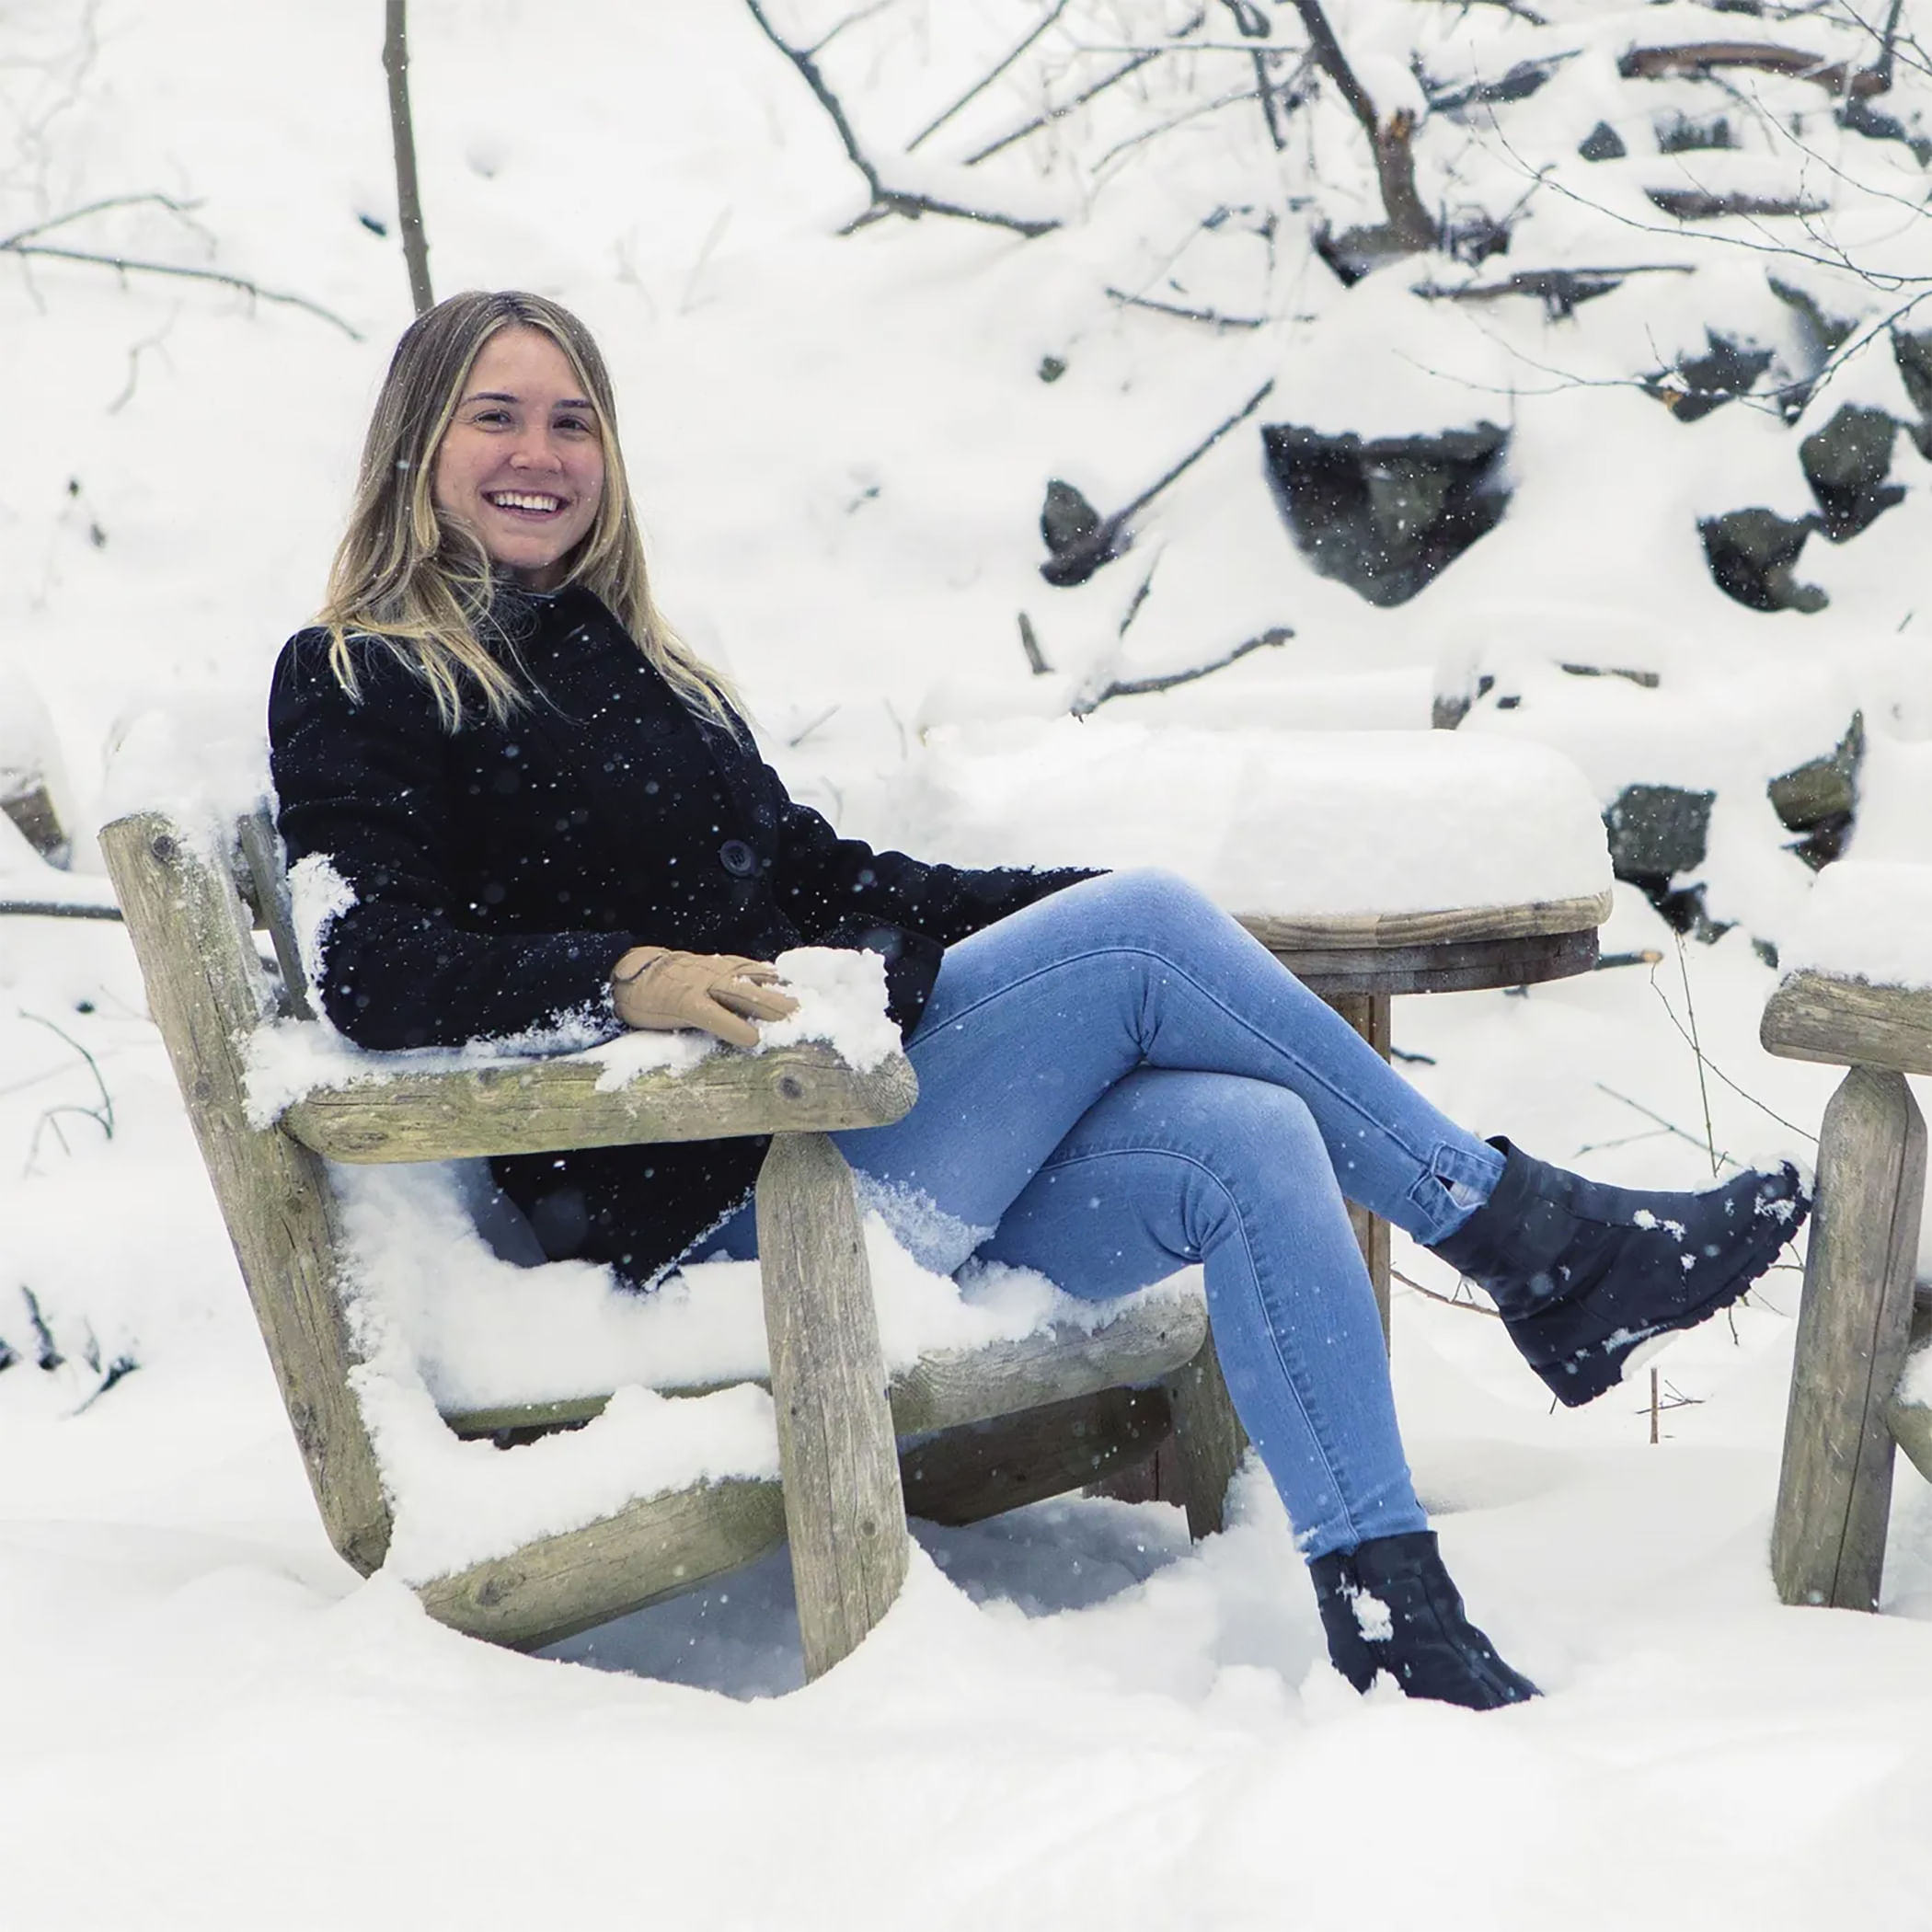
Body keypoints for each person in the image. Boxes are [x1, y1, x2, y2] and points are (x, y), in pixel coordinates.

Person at [270, 291, 1808, 1710]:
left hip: (833, 1144)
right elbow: (368, 962)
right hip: (707, 1214)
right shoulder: (359, 674)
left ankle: (1398, 1613)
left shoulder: (643, 668)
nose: (539, 455)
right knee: (1145, 937)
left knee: (1246, 1129)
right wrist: (623, 975)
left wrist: (1072, 911)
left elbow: (816, 875)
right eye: (496, 416)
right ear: (417, 441)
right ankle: (1532, 1243)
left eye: (572, 421)